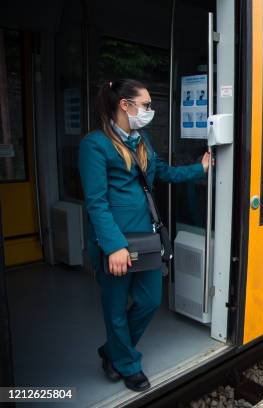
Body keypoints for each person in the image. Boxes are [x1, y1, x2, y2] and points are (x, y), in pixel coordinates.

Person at [79, 79, 210, 392]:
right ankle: (126, 364)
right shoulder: (94, 145)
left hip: (146, 239)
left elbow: (162, 173)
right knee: (114, 309)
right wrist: (113, 247)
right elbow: (96, 203)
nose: (150, 110)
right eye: (146, 104)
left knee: (150, 301)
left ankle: (113, 351)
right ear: (125, 105)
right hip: (115, 244)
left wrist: (199, 169)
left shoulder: (142, 141)